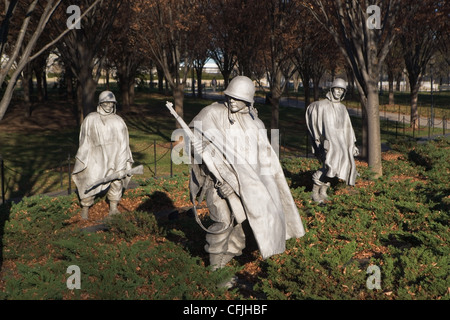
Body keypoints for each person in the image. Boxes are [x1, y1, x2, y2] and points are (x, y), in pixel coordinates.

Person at [188, 76, 305, 271]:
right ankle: (215, 268)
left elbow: (262, 161)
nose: (232, 100)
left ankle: (227, 259)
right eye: (229, 96)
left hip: (246, 187)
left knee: (241, 224)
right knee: (223, 221)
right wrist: (203, 150)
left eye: (237, 97)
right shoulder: (212, 113)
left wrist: (240, 185)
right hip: (215, 181)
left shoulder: (255, 124)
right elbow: (192, 139)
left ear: (248, 100)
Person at [72, 90, 134, 219]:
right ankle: (85, 206)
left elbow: (124, 144)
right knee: (90, 180)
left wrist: (121, 164)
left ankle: (113, 207)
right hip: (96, 158)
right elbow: (84, 140)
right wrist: (84, 156)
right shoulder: (90, 119)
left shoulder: (118, 121)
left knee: (116, 182)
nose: (109, 105)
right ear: (100, 103)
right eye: (106, 102)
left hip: (115, 158)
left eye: (111, 103)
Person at [305, 78, 359, 203]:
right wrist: (319, 140)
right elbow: (313, 116)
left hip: (342, 142)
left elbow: (348, 128)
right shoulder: (322, 105)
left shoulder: (343, 108)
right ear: (332, 89)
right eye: (337, 89)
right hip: (328, 142)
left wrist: (353, 145)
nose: (339, 92)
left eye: (341, 90)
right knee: (330, 164)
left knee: (341, 167)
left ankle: (323, 191)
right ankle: (315, 191)